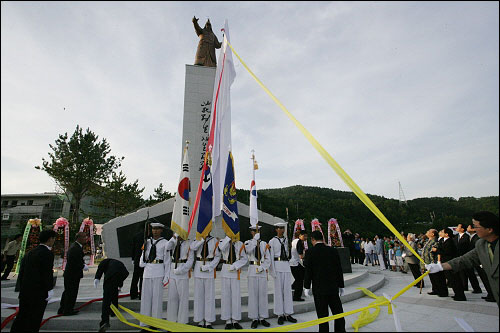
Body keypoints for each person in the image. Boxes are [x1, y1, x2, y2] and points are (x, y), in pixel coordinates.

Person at [427, 211, 498, 306]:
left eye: (476, 227)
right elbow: (465, 259)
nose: (474, 229)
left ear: (489, 229)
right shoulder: (481, 244)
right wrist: (440, 267)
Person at [11, 230, 56, 332]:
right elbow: (46, 273)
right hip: (38, 293)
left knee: (22, 317)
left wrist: (21, 288)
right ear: (50, 239)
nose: (54, 241)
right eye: (53, 239)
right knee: (34, 318)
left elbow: (21, 273)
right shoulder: (47, 254)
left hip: (25, 291)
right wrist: (49, 289)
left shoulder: (30, 252)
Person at [304, 230, 345, 332]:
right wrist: (341, 285)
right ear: (322, 239)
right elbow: (339, 269)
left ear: (312, 239)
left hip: (319, 288)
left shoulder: (310, 252)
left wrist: (307, 286)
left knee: (322, 315)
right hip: (333, 287)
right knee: (338, 313)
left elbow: (308, 271)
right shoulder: (332, 250)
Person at [138, 223, 171, 329]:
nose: (155, 231)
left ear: (161, 230)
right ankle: (144, 323)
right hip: (147, 271)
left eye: (157, 229)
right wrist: (142, 261)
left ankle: (155, 324)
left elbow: (167, 261)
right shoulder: (147, 242)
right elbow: (143, 257)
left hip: (158, 270)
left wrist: (167, 276)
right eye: (153, 229)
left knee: (157, 299)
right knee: (145, 299)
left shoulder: (165, 243)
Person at [190, 231, 221, 328]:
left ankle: (208, 321)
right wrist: (201, 239)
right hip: (198, 269)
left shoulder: (215, 241)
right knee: (199, 297)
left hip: (209, 269)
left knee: (209, 297)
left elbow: (217, 256)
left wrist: (209, 267)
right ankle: (199, 320)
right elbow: (192, 248)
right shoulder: (197, 239)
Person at [269, 222, 297, 325]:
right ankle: (279, 314)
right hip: (277, 265)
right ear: (276, 229)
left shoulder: (287, 240)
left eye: (283, 228)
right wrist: (272, 270)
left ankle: (288, 313)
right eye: (280, 228)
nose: (282, 230)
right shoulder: (272, 241)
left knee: (287, 291)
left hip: (286, 265)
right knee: (278, 291)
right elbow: (270, 256)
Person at [244, 225, 271, 329]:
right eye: (254, 231)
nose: (256, 232)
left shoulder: (264, 244)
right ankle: (254, 318)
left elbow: (268, 258)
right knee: (253, 295)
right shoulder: (248, 242)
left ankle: (262, 318)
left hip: (261, 270)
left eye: (258, 231)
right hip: (252, 269)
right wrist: (255, 241)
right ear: (251, 232)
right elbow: (248, 251)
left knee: (263, 295)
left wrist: (263, 267)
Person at [218, 234, 248, 329]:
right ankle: (227, 320)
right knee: (226, 296)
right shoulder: (223, 242)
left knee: (236, 296)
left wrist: (235, 265)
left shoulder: (240, 244)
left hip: (235, 271)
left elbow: (244, 258)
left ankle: (235, 320)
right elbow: (221, 248)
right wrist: (228, 239)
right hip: (226, 270)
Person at [93, 258, 129, 332]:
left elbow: (99, 271)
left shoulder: (103, 262)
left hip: (111, 275)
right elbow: (125, 274)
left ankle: (104, 321)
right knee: (114, 293)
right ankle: (114, 312)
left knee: (106, 299)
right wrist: (119, 284)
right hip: (122, 273)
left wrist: (97, 278)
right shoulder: (117, 263)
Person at [58, 232, 88, 316]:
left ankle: (63, 308)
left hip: (72, 274)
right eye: (84, 237)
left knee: (68, 291)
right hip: (72, 274)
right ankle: (68, 310)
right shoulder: (75, 248)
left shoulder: (77, 247)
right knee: (71, 292)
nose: (86, 238)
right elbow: (74, 261)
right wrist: (82, 265)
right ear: (78, 238)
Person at [166, 233, 194, 324]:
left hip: (182, 271)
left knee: (183, 298)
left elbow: (190, 260)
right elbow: (167, 247)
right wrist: (173, 237)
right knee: (172, 298)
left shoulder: (190, 243)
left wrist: (181, 270)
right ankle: (171, 321)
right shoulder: (174, 242)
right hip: (173, 270)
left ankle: (182, 321)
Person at [431, 228, 466, 301]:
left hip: (449, 262)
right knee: (445, 278)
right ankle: (446, 292)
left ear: (446, 234)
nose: (441, 233)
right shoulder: (441, 240)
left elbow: (448, 252)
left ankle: (460, 295)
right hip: (443, 262)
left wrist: (437, 250)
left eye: (442, 232)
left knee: (454, 279)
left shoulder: (450, 242)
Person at [467, 222, 495, 302]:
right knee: (484, 279)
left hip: (481, 261)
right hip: (477, 261)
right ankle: (490, 293)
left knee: (487, 278)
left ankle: (492, 294)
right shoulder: (473, 237)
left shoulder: (478, 238)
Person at [454, 223, 482, 293]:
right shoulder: (456, 236)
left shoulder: (467, 237)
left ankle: (476, 288)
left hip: (466, 257)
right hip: (459, 257)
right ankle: (464, 286)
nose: (457, 228)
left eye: (458, 227)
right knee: (462, 273)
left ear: (462, 229)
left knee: (470, 273)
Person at [420, 229, 443, 295]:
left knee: (436, 277)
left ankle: (438, 289)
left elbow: (434, 251)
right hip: (427, 262)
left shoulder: (435, 241)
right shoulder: (428, 241)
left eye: (428, 232)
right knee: (432, 277)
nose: (427, 232)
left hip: (432, 261)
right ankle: (435, 289)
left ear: (432, 234)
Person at [290, 230, 307, 301]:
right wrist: (305, 253)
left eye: (306, 236)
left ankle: (293, 286)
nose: (305, 237)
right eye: (304, 236)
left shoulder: (294, 241)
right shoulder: (299, 242)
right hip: (296, 263)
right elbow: (301, 256)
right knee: (300, 280)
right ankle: (296, 296)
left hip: (293, 263)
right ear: (300, 236)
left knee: (301, 276)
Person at [130, 231, 145, 300]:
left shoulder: (136, 235)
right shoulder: (148, 237)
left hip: (137, 259)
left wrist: (133, 258)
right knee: (142, 278)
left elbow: (133, 248)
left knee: (135, 278)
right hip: (144, 260)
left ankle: (133, 294)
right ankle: (142, 294)